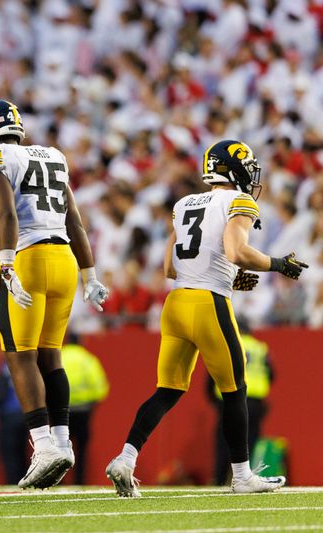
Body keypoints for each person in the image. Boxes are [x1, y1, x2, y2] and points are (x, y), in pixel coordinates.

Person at [106, 140, 307, 497]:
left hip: (176, 302)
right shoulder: (238, 200)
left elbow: (170, 267)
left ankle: (126, 457)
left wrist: (226, 274)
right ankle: (242, 475)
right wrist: (279, 264)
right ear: (234, 168)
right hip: (207, 303)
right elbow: (236, 251)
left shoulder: (184, 204)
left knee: (166, 391)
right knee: (235, 391)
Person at [0, 100, 109, 489]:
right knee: (51, 354)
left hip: (27, 257)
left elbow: (6, 216)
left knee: (18, 355)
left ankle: (45, 445)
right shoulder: (52, 155)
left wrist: (7, 264)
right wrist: (90, 275)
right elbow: (75, 221)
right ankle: (63, 443)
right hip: (64, 259)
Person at [207, 320, 274, 485]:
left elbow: (212, 374)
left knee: (224, 441)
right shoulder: (259, 348)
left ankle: (220, 479)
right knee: (251, 440)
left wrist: (215, 401)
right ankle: (248, 478)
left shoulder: (227, 344)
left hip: (229, 399)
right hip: (254, 402)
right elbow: (271, 374)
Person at [61, 335, 109, 485]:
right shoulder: (87, 359)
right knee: (81, 450)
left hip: (61, 411)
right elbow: (100, 388)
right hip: (83, 411)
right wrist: (90, 402)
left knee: (60, 447)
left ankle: (59, 481)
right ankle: (79, 481)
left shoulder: (60, 357)